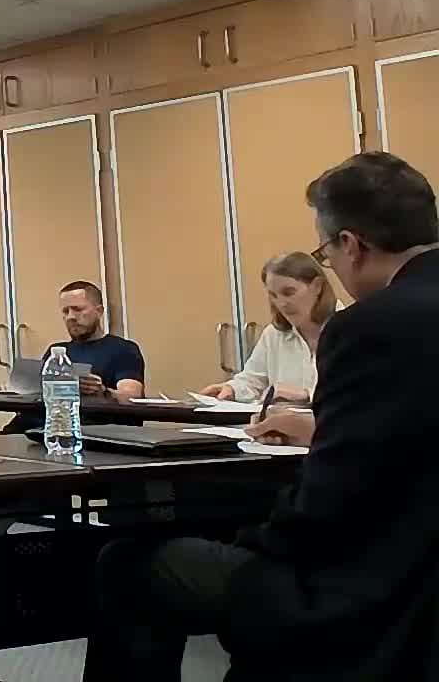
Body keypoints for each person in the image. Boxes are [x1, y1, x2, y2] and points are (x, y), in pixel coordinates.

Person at [84, 152, 439, 681]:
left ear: (352, 245)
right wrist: (324, 428)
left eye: (327, 254)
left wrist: (249, 541)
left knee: (128, 562)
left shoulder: (371, 326)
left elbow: (328, 504)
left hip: (369, 591)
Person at [197, 251, 333, 403]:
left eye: (289, 293)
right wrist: (232, 389)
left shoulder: (348, 330)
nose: (281, 303)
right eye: (273, 295)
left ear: (317, 286)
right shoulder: (274, 334)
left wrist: (306, 394)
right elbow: (252, 380)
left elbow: (353, 393)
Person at [47, 281, 145, 400]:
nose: (70, 317)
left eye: (78, 309)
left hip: (98, 411)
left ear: (99, 311)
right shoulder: (56, 353)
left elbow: (131, 397)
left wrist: (103, 392)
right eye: (65, 311)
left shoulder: (123, 349)